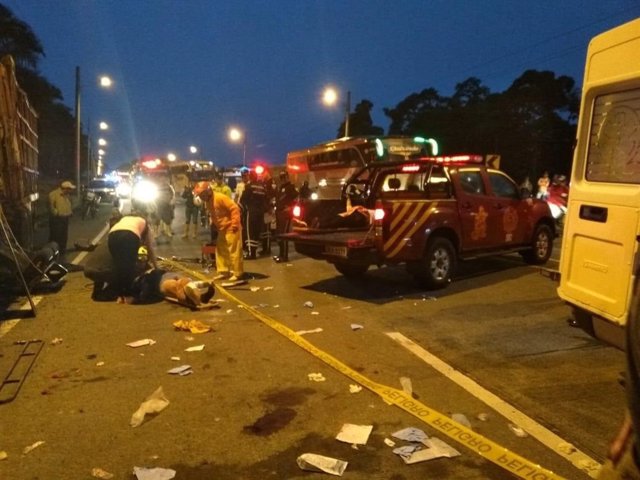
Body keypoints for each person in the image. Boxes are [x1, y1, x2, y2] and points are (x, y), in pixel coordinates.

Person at [193, 181, 244, 282]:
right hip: (222, 228)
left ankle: (237, 273)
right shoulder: (208, 201)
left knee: (234, 251)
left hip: (231, 227)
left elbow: (234, 209)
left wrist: (234, 224)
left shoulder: (220, 198)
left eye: (202, 194)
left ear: (208, 191)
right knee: (221, 250)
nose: (201, 197)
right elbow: (214, 215)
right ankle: (224, 271)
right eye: (200, 195)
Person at [107, 211, 158, 304]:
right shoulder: (145, 224)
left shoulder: (125, 219)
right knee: (129, 267)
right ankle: (128, 296)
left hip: (112, 236)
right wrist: (156, 267)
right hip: (129, 235)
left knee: (119, 266)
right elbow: (150, 248)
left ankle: (120, 296)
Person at [240, 170, 267, 259]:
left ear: (250, 177)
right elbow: (265, 199)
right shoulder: (262, 187)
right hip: (260, 213)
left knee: (249, 232)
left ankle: (251, 254)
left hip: (251, 212)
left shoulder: (249, 186)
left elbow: (243, 200)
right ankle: (254, 252)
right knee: (256, 232)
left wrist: (241, 210)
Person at [273, 171, 299, 263]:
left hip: (285, 214)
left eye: (284, 177)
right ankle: (281, 254)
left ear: (287, 177)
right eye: (281, 177)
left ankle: (284, 256)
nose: (283, 179)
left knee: (284, 235)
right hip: (279, 213)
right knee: (279, 235)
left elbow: (297, 198)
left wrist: (291, 207)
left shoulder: (290, 187)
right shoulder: (280, 188)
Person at [48, 180, 76, 256]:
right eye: (69, 189)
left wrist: (70, 213)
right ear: (65, 188)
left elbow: (68, 205)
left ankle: (62, 250)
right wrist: (57, 214)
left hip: (65, 218)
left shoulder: (67, 196)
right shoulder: (53, 194)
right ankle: (53, 251)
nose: (70, 191)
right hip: (57, 219)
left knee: (64, 235)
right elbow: (51, 207)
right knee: (56, 236)